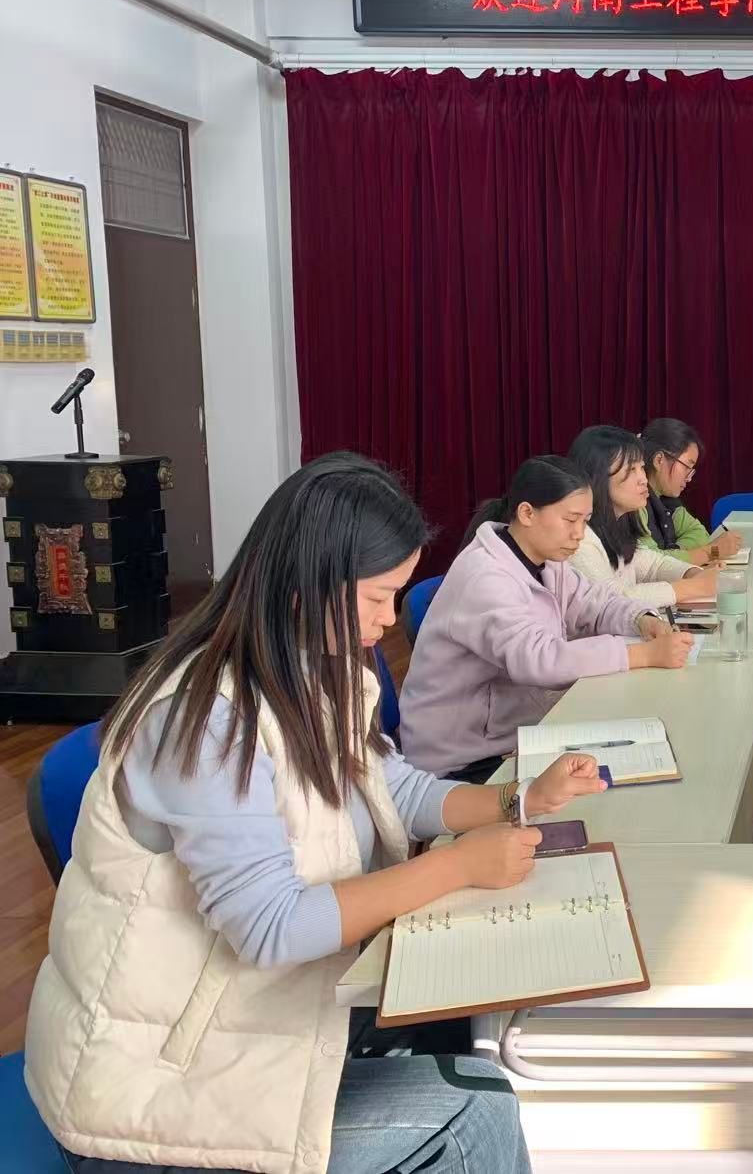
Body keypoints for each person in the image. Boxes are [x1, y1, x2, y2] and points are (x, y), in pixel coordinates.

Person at [24, 453, 612, 1174]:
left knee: (461, 1019)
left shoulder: (306, 665)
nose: (388, 621)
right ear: (307, 583)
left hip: (266, 1024)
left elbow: (393, 789)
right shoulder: (204, 717)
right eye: (377, 598)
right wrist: (459, 865)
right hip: (160, 1092)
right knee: (473, 1107)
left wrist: (515, 801)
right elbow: (271, 926)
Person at [401, 455, 694, 782]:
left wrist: (642, 619)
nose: (579, 534)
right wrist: (642, 655)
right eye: (570, 520)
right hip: (463, 757)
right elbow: (539, 658)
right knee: (607, 778)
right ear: (527, 513)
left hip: (516, 730)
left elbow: (594, 603)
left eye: (585, 521)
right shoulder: (484, 577)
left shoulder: (547, 559)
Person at [568, 425, 718, 609]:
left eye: (641, 468)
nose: (643, 479)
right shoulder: (578, 538)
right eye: (631, 470)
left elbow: (652, 565)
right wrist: (691, 587)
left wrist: (692, 573)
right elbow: (610, 602)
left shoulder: (619, 523)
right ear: (598, 477)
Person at [637, 417, 743, 566]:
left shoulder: (667, 499)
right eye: (687, 467)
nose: (689, 478)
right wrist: (712, 552)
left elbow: (699, 533)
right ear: (659, 460)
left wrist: (674, 554)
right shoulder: (634, 502)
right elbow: (651, 565)